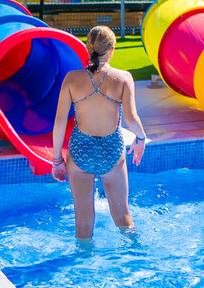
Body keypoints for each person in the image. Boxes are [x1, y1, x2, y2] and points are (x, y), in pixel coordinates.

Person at [51, 26, 148, 241]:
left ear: (88, 48)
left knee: (83, 219)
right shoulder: (123, 78)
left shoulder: (72, 79)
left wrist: (57, 160)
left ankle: (83, 259)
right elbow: (132, 119)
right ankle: (136, 254)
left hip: (80, 149)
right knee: (122, 216)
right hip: (111, 149)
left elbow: (59, 123)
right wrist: (141, 139)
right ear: (111, 50)